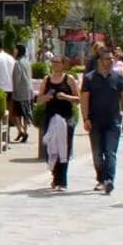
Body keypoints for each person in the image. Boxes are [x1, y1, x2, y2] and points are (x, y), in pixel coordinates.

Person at [80, 49, 123, 195]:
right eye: (106, 59)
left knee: (110, 152)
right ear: (100, 61)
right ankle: (101, 179)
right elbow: (84, 99)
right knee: (97, 154)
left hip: (113, 121)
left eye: (111, 59)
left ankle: (109, 180)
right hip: (95, 121)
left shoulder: (118, 78)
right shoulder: (89, 78)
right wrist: (85, 118)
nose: (109, 62)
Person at [38, 57, 80, 188]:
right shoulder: (46, 80)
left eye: (57, 62)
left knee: (65, 148)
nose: (55, 65)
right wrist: (46, 98)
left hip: (66, 118)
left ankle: (61, 181)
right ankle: (55, 175)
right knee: (49, 148)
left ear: (63, 65)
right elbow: (39, 100)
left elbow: (78, 99)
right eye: (53, 62)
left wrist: (65, 97)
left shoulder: (69, 79)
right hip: (51, 118)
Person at [10, 47, 34, 143]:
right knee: (26, 113)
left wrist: (14, 89)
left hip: (20, 91)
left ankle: (21, 131)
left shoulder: (17, 63)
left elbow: (17, 78)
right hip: (28, 90)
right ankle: (24, 131)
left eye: (15, 50)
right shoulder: (27, 62)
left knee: (17, 113)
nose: (14, 51)